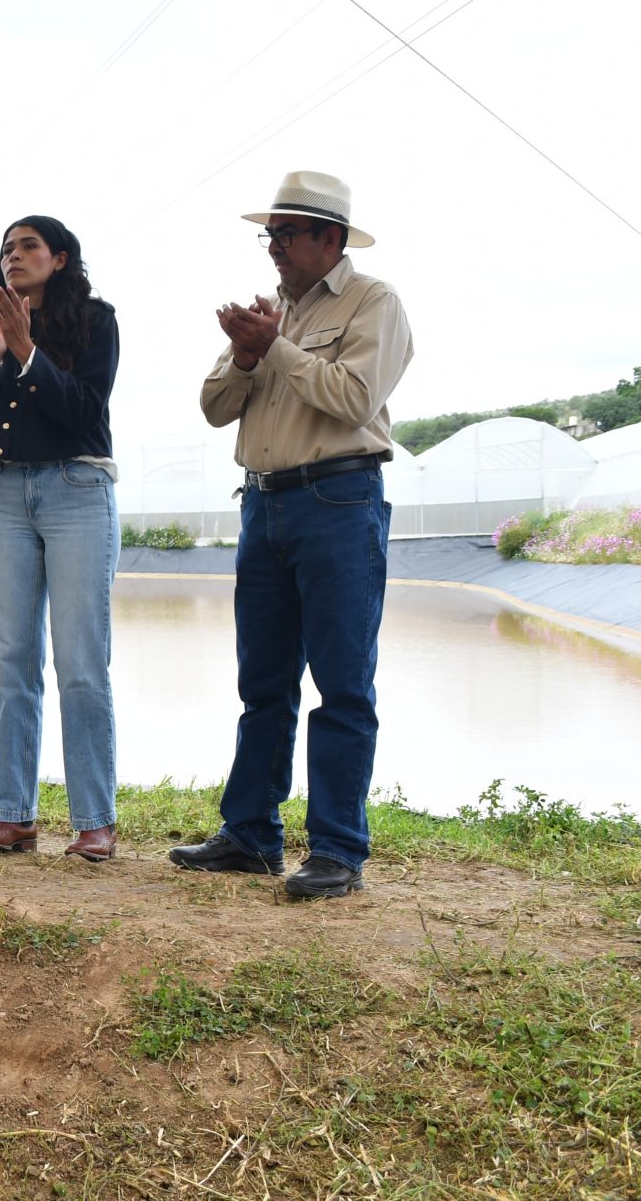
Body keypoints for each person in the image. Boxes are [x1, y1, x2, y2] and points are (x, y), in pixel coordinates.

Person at [171, 172, 413, 898]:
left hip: (338, 498)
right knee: (264, 680)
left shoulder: (375, 303)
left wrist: (273, 349)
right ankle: (251, 833)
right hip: (265, 504)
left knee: (342, 682)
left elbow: (354, 397)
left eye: (286, 233)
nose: (272, 246)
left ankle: (338, 848)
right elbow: (214, 407)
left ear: (329, 239)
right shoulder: (270, 311)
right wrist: (247, 354)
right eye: (268, 234)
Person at [0, 216, 121, 860]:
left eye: (27, 246)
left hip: (78, 490)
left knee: (81, 662)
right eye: (5, 248)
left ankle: (94, 821)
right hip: (7, 495)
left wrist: (26, 354)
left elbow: (84, 411)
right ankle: (14, 815)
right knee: (12, 660)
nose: (13, 256)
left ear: (60, 257)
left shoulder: (97, 321)